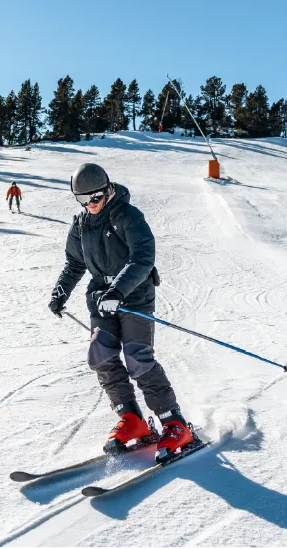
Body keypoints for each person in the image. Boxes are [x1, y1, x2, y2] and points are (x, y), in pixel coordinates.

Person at [48, 163, 193, 461]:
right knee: (100, 355)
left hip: (134, 295)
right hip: (101, 299)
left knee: (138, 358)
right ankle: (133, 420)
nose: (91, 205)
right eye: (83, 200)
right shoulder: (80, 224)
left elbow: (143, 257)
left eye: (95, 198)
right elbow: (74, 264)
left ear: (108, 189)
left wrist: (119, 289)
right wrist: (61, 290)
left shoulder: (128, 216)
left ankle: (175, 423)